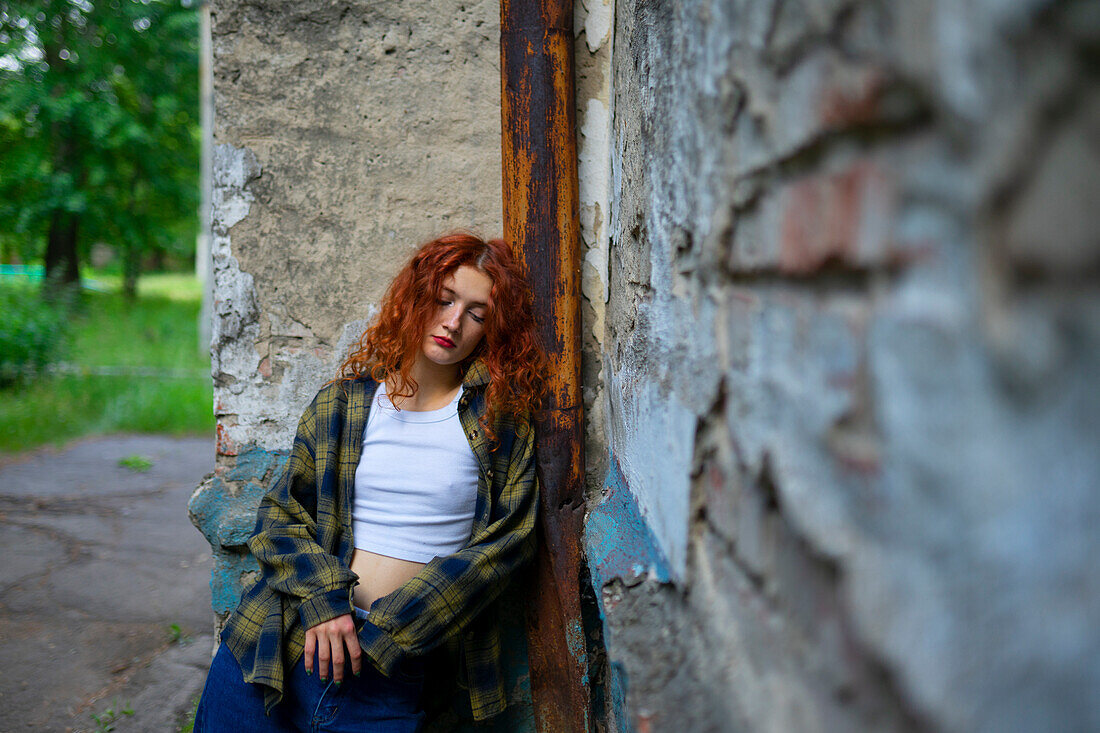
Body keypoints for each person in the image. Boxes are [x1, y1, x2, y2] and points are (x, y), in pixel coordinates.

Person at [194, 232, 546, 732]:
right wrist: (324, 603)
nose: (453, 322)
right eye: (444, 300)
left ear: (492, 328)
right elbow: (280, 518)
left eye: (477, 313)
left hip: (386, 668)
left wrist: (388, 634)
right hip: (275, 644)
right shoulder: (343, 405)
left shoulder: (499, 421)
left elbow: (508, 544)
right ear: (417, 299)